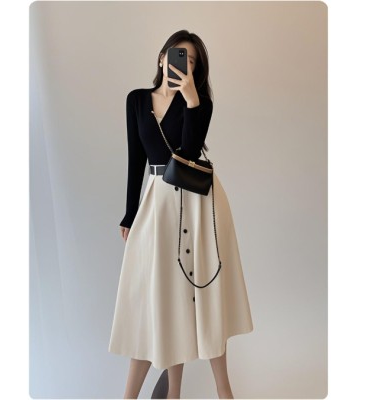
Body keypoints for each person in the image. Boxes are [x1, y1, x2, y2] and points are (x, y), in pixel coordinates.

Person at [108, 29, 254, 399]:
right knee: (159, 293)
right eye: (177, 54)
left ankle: (223, 390)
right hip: (157, 202)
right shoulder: (136, 100)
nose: (182, 63)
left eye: (190, 60)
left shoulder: (200, 102)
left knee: (203, 292)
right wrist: (129, 214)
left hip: (198, 203)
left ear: (195, 69)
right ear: (162, 57)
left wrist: (191, 100)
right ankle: (168, 392)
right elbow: (136, 159)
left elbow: (189, 152)